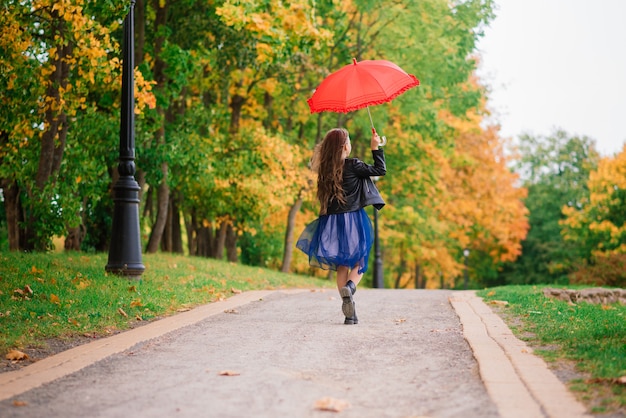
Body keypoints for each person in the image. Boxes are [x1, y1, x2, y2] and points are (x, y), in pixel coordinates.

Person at [296, 128, 386, 325]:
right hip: (353, 220)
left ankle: (349, 312)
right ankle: (351, 287)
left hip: (331, 221)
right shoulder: (353, 165)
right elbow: (380, 170)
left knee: (341, 265)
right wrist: (375, 147)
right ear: (345, 146)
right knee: (360, 261)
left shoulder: (325, 170)